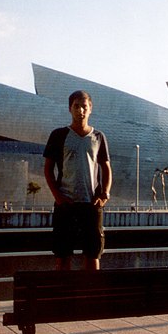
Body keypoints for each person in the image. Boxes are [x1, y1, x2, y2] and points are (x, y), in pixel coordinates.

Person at [43, 90, 112, 271]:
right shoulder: (59, 135)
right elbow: (48, 168)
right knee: (63, 256)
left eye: (84, 106)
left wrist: (104, 194)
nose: (80, 110)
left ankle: (91, 297)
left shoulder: (98, 137)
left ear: (90, 109)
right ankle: (64, 296)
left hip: (91, 204)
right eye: (76, 106)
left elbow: (106, 167)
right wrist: (58, 196)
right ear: (69, 109)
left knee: (93, 255)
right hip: (66, 204)